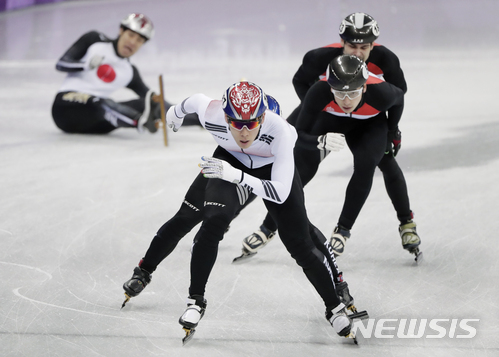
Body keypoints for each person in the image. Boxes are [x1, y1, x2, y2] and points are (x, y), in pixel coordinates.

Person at [121, 81, 362, 342]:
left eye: (253, 122)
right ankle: (181, 293)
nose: (245, 131)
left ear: (264, 117)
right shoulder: (211, 113)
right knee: (200, 220)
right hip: (229, 159)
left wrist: (238, 176)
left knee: (298, 240)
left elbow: (280, 192)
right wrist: (176, 113)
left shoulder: (281, 131)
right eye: (237, 123)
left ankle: (334, 305)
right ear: (225, 117)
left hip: (268, 169)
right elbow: (192, 101)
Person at [238, 12, 421, 259]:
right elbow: (300, 83)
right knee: (300, 165)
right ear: (341, 43)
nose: (357, 53)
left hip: (368, 121)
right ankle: (269, 225)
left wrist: (393, 131)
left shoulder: (384, 73)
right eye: (351, 46)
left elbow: (399, 96)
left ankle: (365, 227)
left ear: (373, 46)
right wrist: (322, 105)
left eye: (364, 48)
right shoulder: (320, 67)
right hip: (328, 112)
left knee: (379, 160)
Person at [51, 13, 199, 134]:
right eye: (131, 35)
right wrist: (85, 65)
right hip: (64, 110)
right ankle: (138, 121)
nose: (133, 42)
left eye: (140, 40)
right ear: (121, 31)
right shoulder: (94, 40)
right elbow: (61, 64)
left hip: (95, 124)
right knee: (100, 101)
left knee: (149, 103)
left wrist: (200, 119)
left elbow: (160, 105)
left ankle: (136, 119)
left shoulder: (129, 72)